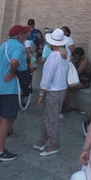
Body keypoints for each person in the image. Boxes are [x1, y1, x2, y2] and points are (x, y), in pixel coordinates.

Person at [0, 24, 30, 162]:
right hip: (10, 87)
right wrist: (11, 72)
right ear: (20, 35)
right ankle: (0, 151)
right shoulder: (19, 47)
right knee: (6, 119)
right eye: (24, 34)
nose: (25, 37)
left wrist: (2, 75)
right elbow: (14, 61)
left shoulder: (3, 45)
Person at [34, 28, 70, 157]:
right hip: (61, 88)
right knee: (50, 116)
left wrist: (41, 93)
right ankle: (44, 140)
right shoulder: (66, 54)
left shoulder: (53, 56)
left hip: (53, 90)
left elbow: (47, 76)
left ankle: (52, 144)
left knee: (50, 118)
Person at [62, 47, 90, 112]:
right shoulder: (76, 59)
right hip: (76, 80)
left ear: (81, 56)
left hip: (84, 81)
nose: (75, 57)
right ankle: (63, 104)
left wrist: (73, 62)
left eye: (77, 56)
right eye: (75, 55)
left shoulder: (85, 61)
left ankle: (66, 106)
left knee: (67, 88)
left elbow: (77, 72)